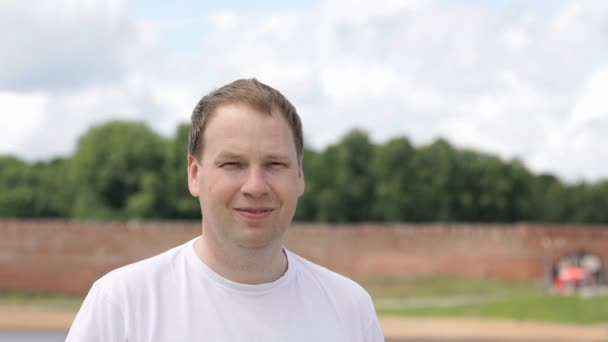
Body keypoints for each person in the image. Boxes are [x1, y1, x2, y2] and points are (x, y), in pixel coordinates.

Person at [66, 78, 385, 341]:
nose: (256, 186)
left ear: (299, 175)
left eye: (275, 164)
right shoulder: (123, 304)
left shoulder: (349, 308)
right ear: (194, 174)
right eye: (232, 164)